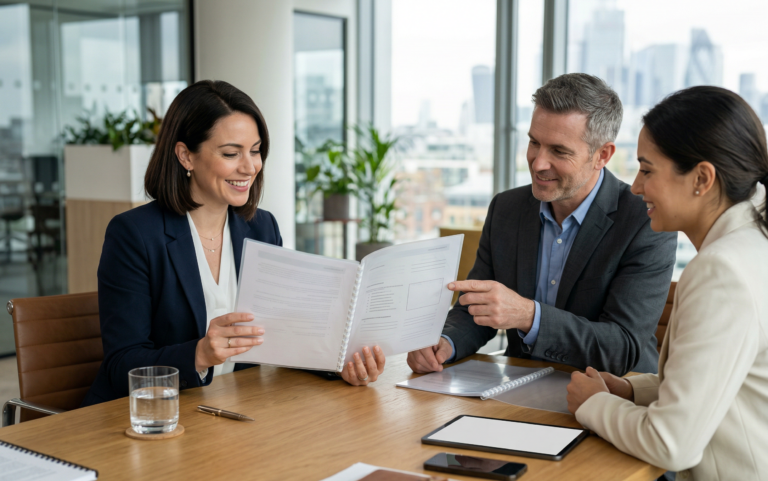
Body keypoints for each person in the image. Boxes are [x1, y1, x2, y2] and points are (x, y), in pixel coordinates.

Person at [82, 81, 384, 406]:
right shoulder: (134, 234)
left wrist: (340, 367)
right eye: (231, 153)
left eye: (255, 151)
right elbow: (121, 365)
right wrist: (198, 354)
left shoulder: (261, 227)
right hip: (153, 418)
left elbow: (286, 338)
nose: (249, 166)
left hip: (234, 409)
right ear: (186, 156)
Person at [566, 86, 768, 481]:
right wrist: (628, 389)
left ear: (702, 179)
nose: (636, 187)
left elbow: (671, 444)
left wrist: (593, 404)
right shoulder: (754, 242)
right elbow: (720, 381)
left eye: (646, 170)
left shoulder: (722, 271)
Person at [408, 73, 676, 377]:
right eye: (534, 143)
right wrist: (445, 342)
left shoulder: (645, 221)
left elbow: (623, 347)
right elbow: (476, 309)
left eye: (559, 151)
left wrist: (528, 315)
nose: (537, 163)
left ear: (602, 155)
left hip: (611, 397)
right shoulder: (506, 209)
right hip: (516, 387)